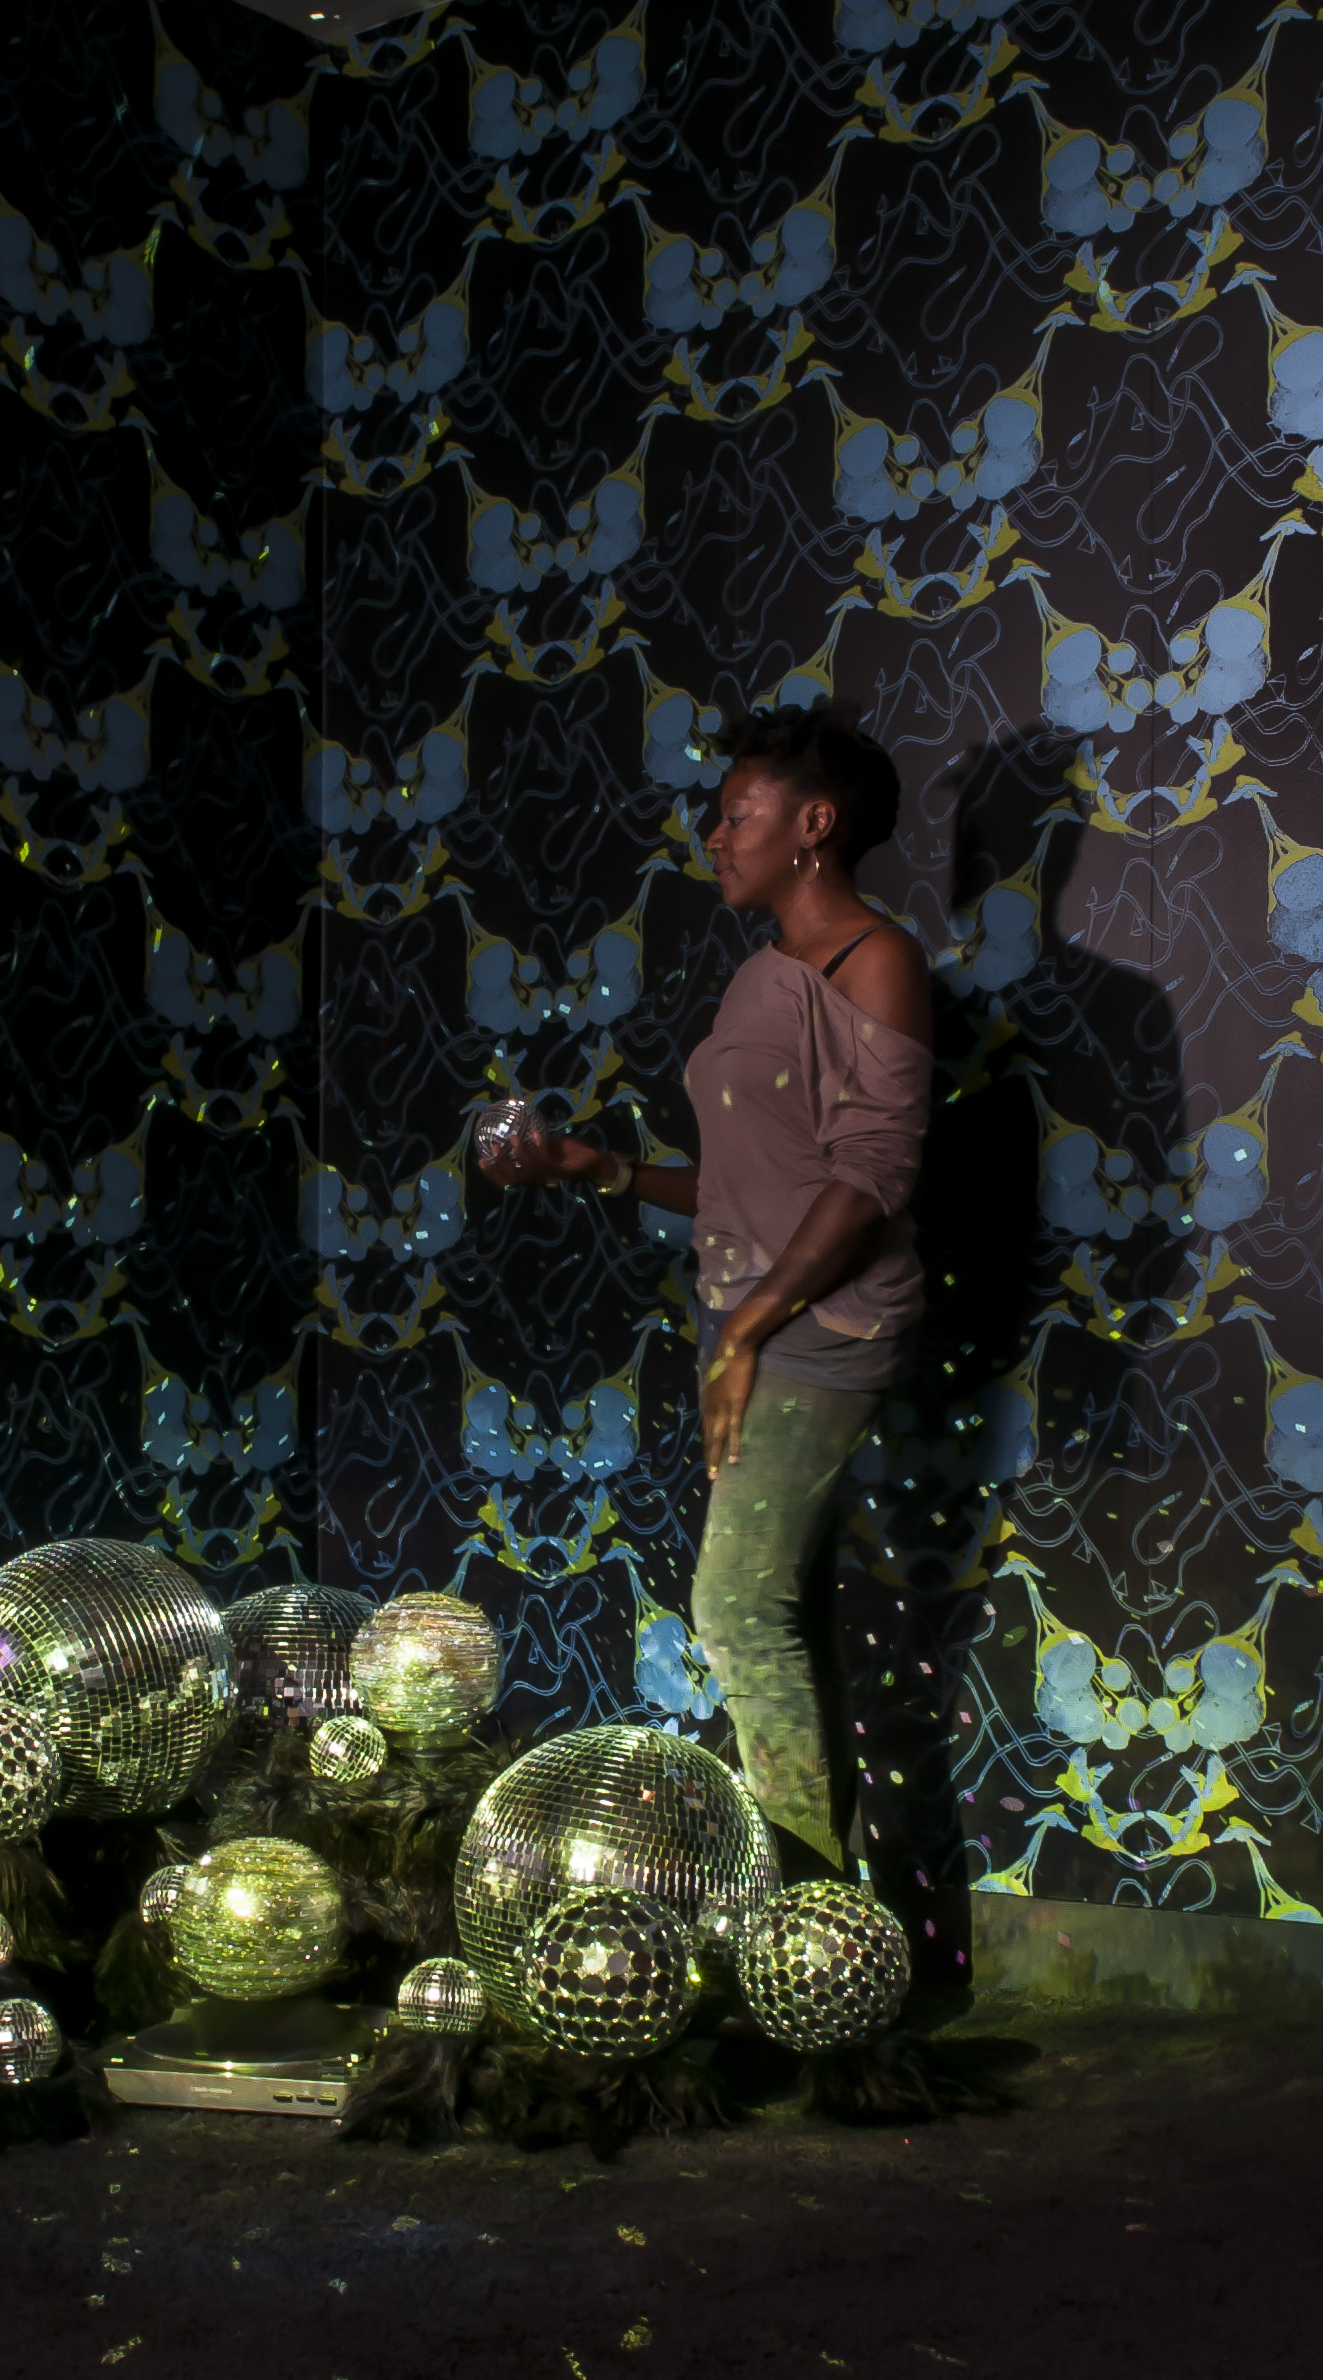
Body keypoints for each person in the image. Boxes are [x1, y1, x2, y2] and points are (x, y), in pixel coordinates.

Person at [477, 704, 932, 1881]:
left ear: (813, 824)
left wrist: (750, 1323)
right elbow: (749, 1185)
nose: (714, 836)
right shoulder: (761, 975)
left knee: (734, 1609)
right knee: (777, 1613)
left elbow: (872, 1174)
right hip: (749, 1324)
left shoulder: (873, 960)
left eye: (737, 814)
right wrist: (602, 1169)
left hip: (817, 1328)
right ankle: (823, 1912)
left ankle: (801, 1928)